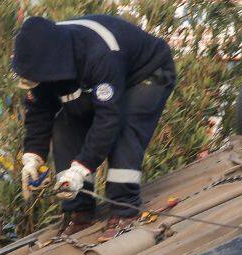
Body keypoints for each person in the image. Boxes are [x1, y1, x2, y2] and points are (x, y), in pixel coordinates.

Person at [12, 14, 176, 242]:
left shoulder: (98, 54)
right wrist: (33, 157)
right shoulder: (45, 58)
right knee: (64, 127)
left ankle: (125, 210)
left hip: (146, 73)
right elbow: (40, 110)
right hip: (102, 82)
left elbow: (108, 119)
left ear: (50, 66)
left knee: (124, 130)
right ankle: (79, 211)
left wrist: (81, 168)